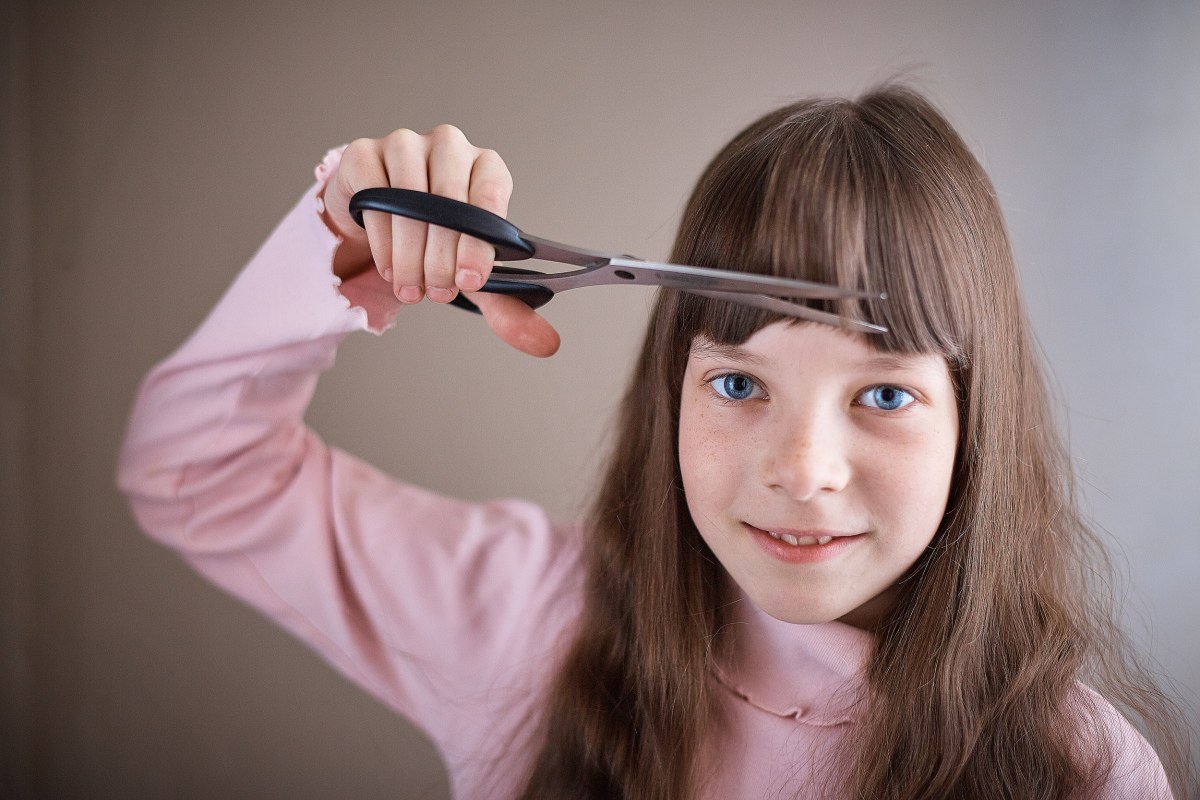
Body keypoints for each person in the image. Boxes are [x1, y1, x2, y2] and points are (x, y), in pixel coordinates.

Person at [117, 85, 1192, 799]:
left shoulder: (1087, 770)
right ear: (667, 391)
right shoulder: (530, 617)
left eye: (884, 396)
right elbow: (191, 472)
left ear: (976, 420)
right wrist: (331, 251)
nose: (801, 468)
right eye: (737, 381)